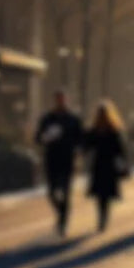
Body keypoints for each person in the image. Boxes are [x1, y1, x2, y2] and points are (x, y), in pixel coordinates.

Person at [35, 90, 84, 236]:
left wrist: (78, 148)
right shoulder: (47, 119)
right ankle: (61, 212)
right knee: (51, 192)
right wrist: (46, 137)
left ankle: (63, 223)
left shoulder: (73, 119)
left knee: (66, 191)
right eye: (58, 99)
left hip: (68, 159)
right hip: (52, 159)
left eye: (62, 99)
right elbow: (38, 137)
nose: (60, 102)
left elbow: (80, 137)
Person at [83, 99, 129, 232]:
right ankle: (101, 218)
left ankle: (103, 219)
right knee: (99, 195)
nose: (102, 116)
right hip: (98, 165)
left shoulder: (113, 130)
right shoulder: (94, 130)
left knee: (106, 195)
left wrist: (123, 165)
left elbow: (120, 149)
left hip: (109, 166)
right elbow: (87, 145)